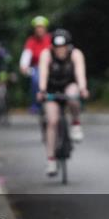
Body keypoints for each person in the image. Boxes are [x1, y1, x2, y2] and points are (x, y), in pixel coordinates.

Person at [37, 28, 89, 176]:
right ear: (52, 47)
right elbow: (43, 73)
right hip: (51, 90)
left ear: (68, 46)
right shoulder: (46, 55)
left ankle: (76, 124)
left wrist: (83, 88)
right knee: (52, 121)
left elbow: (80, 72)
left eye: (63, 47)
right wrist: (41, 91)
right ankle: (51, 160)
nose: (60, 51)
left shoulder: (76, 54)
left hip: (68, 85)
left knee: (73, 95)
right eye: (57, 47)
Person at [19, 16, 51, 112]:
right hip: (37, 67)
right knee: (36, 79)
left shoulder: (51, 39)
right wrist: (23, 66)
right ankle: (36, 103)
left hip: (51, 66)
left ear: (45, 28)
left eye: (41, 27)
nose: (39, 29)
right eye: (37, 27)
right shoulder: (31, 41)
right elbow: (26, 54)